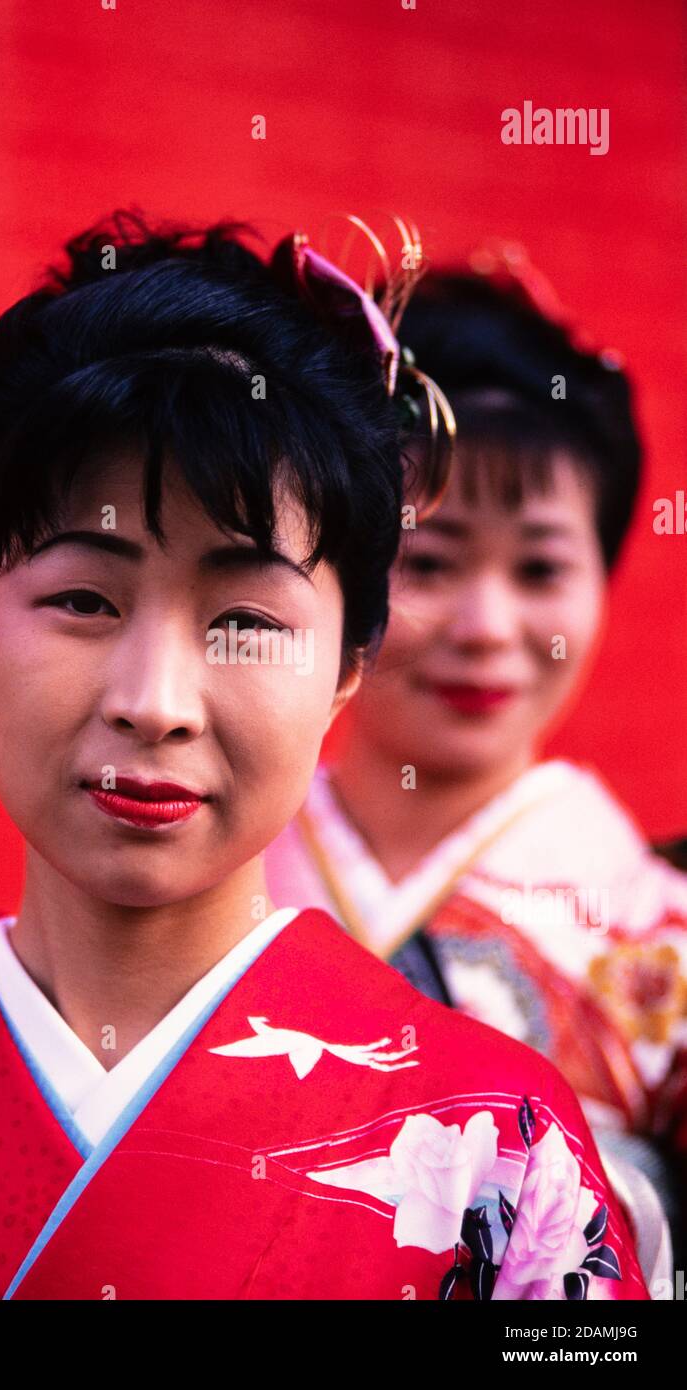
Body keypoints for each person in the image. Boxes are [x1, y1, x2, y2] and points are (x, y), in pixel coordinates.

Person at [0, 214, 648, 1300]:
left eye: (247, 619)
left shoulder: (504, 1155)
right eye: (83, 598)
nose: (154, 703)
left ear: (353, 655)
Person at [266, 249, 687, 1276]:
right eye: (431, 561)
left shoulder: (657, 930)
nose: (487, 626)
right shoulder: (215, 871)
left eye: (539, 566)